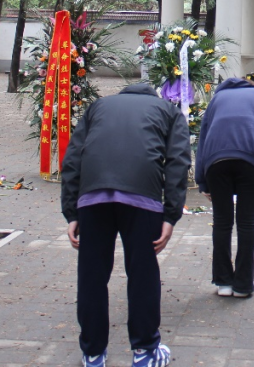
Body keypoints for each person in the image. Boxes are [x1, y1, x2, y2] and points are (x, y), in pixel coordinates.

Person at [61, 82, 190, 367]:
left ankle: (93, 354)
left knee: (92, 275)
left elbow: (73, 158)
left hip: (93, 197)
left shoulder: (97, 107)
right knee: (142, 272)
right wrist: (170, 215)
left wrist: (71, 212)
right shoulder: (169, 110)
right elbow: (178, 162)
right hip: (142, 196)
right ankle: (145, 351)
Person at [194, 77, 254, 298]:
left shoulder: (217, 98)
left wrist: (202, 180)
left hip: (216, 160)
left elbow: (203, 138)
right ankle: (243, 284)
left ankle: (223, 282)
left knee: (222, 222)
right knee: (246, 222)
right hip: (251, 159)